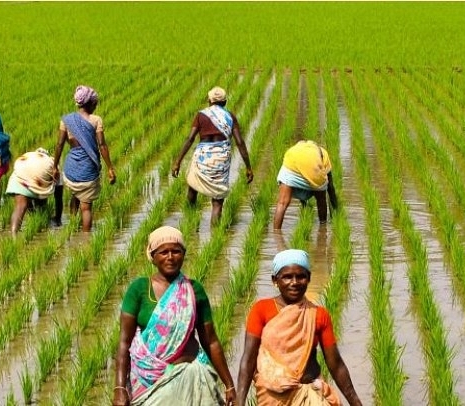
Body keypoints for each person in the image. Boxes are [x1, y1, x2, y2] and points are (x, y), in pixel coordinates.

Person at [114, 226, 236, 406]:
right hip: (149, 380)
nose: (170, 257)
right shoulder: (139, 289)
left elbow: (210, 341)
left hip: (193, 378)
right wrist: (119, 388)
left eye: (176, 251)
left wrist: (229, 385)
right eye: (163, 252)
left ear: (184, 254)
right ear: (152, 257)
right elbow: (124, 342)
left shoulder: (194, 290)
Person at [236, 249, 362, 406]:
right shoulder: (261, 310)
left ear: (309, 278)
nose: (294, 282)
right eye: (287, 277)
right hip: (273, 397)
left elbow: (336, 364)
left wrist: (356, 402)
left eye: (301, 276)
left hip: (310, 394)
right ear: (275, 280)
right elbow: (248, 359)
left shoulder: (318, 315)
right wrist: (239, 401)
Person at [171, 86, 254, 226]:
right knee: (217, 200)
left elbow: (190, 139)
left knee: (192, 185)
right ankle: (215, 233)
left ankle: (190, 222)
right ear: (225, 102)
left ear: (209, 101)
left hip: (202, 157)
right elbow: (239, 142)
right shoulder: (230, 116)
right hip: (221, 159)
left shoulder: (201, 115)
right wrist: (248, 167)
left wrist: (177, 161)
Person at [53, 84, 116, 232]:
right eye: (95, 103)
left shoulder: (67, 120)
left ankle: (73, 228)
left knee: (75, 195)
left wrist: (55, 166)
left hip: (71, 169)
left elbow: (59, 145)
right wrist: (110, 168)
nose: (96, 106)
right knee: (86, 207)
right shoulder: (96, 120)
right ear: (91, 104)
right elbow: (102, 145)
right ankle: (85, 238)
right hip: (88, 169)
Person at [273, 140, 338, 229]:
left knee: (282, 203)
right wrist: (335, 209)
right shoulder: (323, 153)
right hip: (313, 167)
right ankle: (323, 228)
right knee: (321, 199)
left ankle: (276, 234)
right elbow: (330, 186)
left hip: (290, 165)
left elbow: (302, 169)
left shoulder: (296, 149)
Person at [6, 148, 63, 235]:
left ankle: (13, 236)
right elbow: (58, 197)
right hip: (40, 174)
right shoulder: (53, 163)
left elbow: (27, 193)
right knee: (41, 202)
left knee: (20, 206)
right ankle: (41, 223)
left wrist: (32, 212)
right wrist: (58, 218)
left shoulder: (29, 156)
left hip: (20, 171)